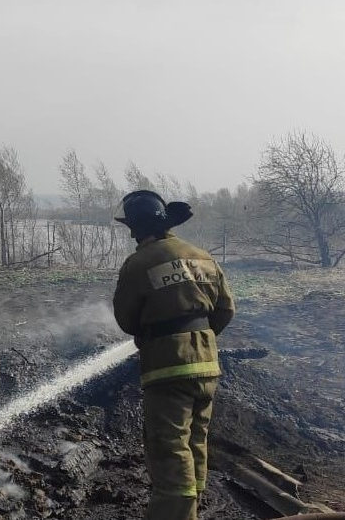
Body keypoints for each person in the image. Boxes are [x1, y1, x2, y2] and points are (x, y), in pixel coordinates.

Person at [112, 190, 235, 520]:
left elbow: (126, 320)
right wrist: (199, 338)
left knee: (170, 447)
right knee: (196, 441)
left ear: (135, 228)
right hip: (208, 366)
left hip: (167, 369)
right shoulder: (202, 256)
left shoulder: (139, 263)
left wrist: (166, 338)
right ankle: (191, 509)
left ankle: (174, 514)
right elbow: (225, 309)